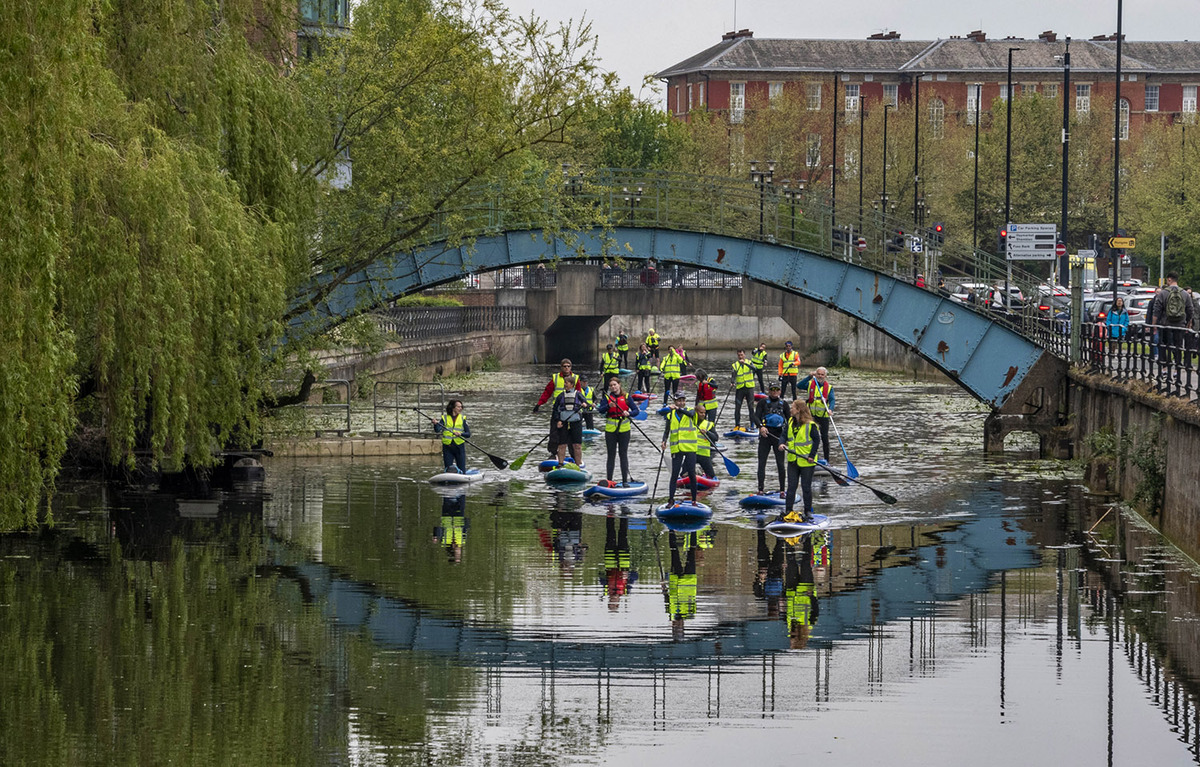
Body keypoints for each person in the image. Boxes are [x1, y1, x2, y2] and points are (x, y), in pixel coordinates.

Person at [779, 399, 821, 523]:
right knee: (791, 487)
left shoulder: (810, 425)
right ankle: (788, 510)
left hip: (807, 461)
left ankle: (808, 510)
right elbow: (783, 435)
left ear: (798, 410)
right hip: (793, 460)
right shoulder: (790, 422)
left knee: (806, 487)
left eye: (793, 407)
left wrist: (812, 456)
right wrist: (781, 443)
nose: (790, 409)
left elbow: (816, 441)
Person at [596, 378, 641, 485]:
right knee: (611, 455)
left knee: (623, 454)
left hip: (624, 430)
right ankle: (609, 480)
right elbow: (600, 410)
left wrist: (629, 413)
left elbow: (636, 411)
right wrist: (608, 406)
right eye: (611, 385)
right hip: (610, 431)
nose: (613, 387)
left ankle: (625, 480)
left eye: (615, 385)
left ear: (619, 385)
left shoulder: (626, 397)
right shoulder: (607, 398)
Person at [1150, 272, 1194, 377]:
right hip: (1179, 324)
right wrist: (1188, 322)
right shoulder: (1184, 293)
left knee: (1163, 345)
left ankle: (1164, 368)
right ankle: (1176, 370)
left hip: (1165, 324)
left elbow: (1157, 310)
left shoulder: (1163, 293)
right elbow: (1190, 309)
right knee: (1178, 346)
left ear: (1169, 279)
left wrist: (1154, 325)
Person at [533, 359, 579, 458]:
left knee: (571, 436)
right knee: (554, 434)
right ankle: (553, 453)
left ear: (571, 367)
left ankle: (573, 456)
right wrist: (539, 404)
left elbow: (579, 395)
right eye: (564, 366)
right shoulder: (555, 378)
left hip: (572, 412)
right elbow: (547, 393)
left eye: (568, 366)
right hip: (558, 411)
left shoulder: (576, 378)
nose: (566, 368)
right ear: (561, 367)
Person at [661, 392, 700, 506]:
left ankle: (694, 500)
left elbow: (690, 414)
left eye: (683, 400)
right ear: (675, 401)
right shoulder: (670, 414)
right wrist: (664, 440)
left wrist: (678, 408)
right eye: (679, 400)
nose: (681, 402)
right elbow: (667, 430)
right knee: (674, 474)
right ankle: (671, 499)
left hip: (690, 448)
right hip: (677, 448)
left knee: (692, 473)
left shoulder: (692, 411)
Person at [783, 534, 819, 649]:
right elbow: (815, 610)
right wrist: (812, 596)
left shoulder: (789, 625)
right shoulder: (809, 625)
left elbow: (785, 609)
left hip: (791, 589)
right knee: (805, 561)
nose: (791, 635)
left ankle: (788, 537)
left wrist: (783, 594)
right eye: (793, 637)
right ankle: (807, 535)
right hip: (805, 587)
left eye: (791, 637)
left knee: (790, 561)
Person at [755, 383, 789, 495]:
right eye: (772, 390)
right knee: (762, 463)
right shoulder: (762, 402)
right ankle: (760, 489)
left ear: (780, 391)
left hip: (778, 437)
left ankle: (782, 490)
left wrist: (785, 438)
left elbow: (790, 421)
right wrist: (761, 427)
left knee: (780, 464)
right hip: (765, 435)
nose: (774, 392)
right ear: (769, 391)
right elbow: (756, 417)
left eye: (777, 390)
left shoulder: (784, 404)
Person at [664, 530, 698, 641]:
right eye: (679, 627)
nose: (677, 625)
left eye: (676, 627)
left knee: (674, 551)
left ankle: (671, 530)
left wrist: (663, 587)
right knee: (691, 551)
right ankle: (694, 529)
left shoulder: (670, 612)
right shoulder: (690, 614)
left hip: (676, 580)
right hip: (689, 579)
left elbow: (667, 599)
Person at [600, 513, 637, 611]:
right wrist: (628, 575)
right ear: (618, 602)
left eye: (611, 601)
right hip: (623, 559)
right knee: (622, 533)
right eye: (614, 602)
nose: (613, 599)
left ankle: (610, 514)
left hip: (610, 558)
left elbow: (600, 575)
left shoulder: (605, 589)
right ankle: (624, 514)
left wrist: (605, 578)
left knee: (610, 533)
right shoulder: (626, 590)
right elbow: (635, 575)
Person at [797, 367, 835, 463]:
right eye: (818, 374)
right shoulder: (810, 384)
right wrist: (809, 376)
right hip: (811, 416)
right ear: (815, 374)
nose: (820, 376)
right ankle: (812, 456)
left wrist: (831, 409)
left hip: (823, 416)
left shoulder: (829, 387)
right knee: (813, 438)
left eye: (822, 375)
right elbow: (799, 385)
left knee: (824, 438)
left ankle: (827, 460)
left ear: (825, 376)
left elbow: (832, 400)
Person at [551, 375, 586, 467]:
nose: (565, 384)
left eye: (566, 383)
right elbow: (555, 409)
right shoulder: (561, 396)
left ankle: (578, 465)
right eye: (564, 382)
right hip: (564, 422)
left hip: (576, 422)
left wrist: (585, 404)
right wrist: (558, 420)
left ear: (572, 384)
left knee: (577, 445)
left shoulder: (578, 394)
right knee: (562, 445)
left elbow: (585, 402)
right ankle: (560, 463)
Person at [433, 399, 470, 473]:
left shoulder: (462, 419)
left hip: (459, 447)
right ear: (453, 408)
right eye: (458, 407)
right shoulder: (444, 418)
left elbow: (468, 434)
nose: (461, 408)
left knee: (462, 469)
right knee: (448, 469)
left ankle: (462, 475)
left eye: (461, 407)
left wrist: (460, 434)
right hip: (447, 447)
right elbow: (437, 430)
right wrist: (435, 424)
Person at [433, 494, 468, 564]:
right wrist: (460, 525)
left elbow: (437, 528)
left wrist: (436, 536)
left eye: (458, 555)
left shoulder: (444, 540)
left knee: (448, 495)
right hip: (459, 514)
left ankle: (447, 486)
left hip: (447, 513)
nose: (460, 552)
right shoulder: (462, 541)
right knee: (461, 495)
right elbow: (467, 524)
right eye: (459, 555)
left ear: (453, 551)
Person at [730, 349, 758, 429]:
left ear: (744, 355)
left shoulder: (749, 362)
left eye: (741, 355)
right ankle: (737, 425)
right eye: (739, 355)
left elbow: (754, 369)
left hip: (749, 388)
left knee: (751, 407)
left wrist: (745, 363)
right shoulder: (735, 365)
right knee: (737, 408)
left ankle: (752, 425)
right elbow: (733, 375)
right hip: (740, 389)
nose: (740, 357)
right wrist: (732, 382)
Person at [694, 413, 719, 481]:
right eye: (701, 413)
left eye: (704, 413)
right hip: (692, 454)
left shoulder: (708, 424)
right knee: (683, 474)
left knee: (711, 475)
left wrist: (707, 432)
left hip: (704, 455)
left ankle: (702, 475)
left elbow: (716, 438)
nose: (703, 414)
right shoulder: (689, 423)